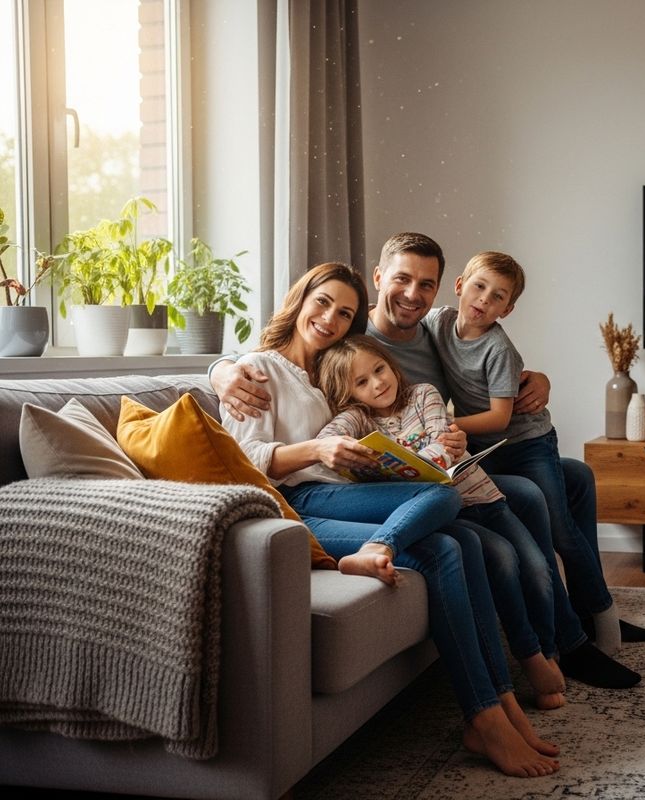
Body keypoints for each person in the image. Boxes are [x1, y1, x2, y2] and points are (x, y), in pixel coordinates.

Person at [210, 233, 645, 683]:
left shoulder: (436, 326)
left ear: (444, 289)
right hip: (389, 476)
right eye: (402, 279)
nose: (412, 294)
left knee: (576, 476)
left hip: (453, 453)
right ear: (379, 278)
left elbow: (487, 352)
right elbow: (272, 364)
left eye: (426, 285)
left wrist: (538, 379)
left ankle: (592, 610)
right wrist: (221, 370)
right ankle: (566, 640)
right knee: (526, 495)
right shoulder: (349, 334)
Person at [222, 262, 559, 777]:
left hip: (352, 494)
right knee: (443, 502)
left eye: (345, 313)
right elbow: (244, 462)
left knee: (457, 544)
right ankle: (486, 710)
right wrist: (313, 444)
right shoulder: (256, 371)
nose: (330, 318)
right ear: (300, 299)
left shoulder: (327, 370)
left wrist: (531, 377)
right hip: (298, 504)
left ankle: (496, 705)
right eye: (323, 302)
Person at [315, 333, 567, 708]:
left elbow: (438, 443)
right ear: (349, 394)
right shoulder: (356, 418)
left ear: (390, 364)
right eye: (362, 382)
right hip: (452, 512)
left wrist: (402, 461)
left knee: (536, 566)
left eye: (379, 369)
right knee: (501, 559)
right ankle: (527, 654)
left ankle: (547, 653)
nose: (378, 383)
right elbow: (327, 441)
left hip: (485, 500)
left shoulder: (422, 394)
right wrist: (354, 454)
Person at [422, 250, 641, 658]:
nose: (484, 299)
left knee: (560, 529)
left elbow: (501, 418)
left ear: (508, 309)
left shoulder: (498, 349)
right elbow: (378, 314)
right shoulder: (438, 322)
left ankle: (605, 616)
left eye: (498, 296)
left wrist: (445, 427)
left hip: (528, 444)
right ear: (458, 286)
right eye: (479, 286)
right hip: (486, 450)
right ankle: (569, 620)